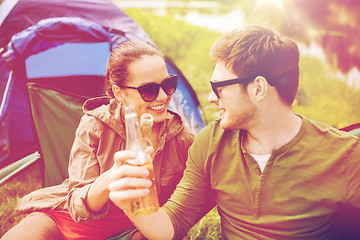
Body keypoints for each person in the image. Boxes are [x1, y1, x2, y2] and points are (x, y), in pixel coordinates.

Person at [108, 25, 360, 239]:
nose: (210, 97)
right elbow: (170, 226)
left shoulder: (346, 157)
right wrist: (135, 204)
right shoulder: (211, 143)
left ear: (258, 89)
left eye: (218, 87)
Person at [1, 40, 195, 240]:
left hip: (138, 228)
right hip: (69, 220)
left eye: (168, 84)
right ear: (119, 93)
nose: (163, 96)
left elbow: (179, 213)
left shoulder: (183, 140)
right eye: (149, 90)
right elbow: (78, 204)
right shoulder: (94, 126)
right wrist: (111, 178)